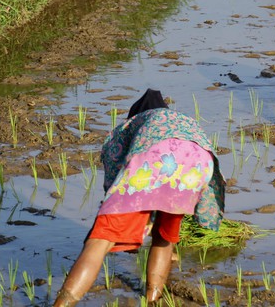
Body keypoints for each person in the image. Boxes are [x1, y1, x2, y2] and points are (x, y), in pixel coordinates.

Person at [54, 89, 225, 306]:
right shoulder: (179, 120)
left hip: (155, 158)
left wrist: (105, 225)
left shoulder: (131, 126)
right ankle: (152, 300)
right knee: (164, 239)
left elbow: (117, 183)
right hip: (197, 164)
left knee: (99, 240)